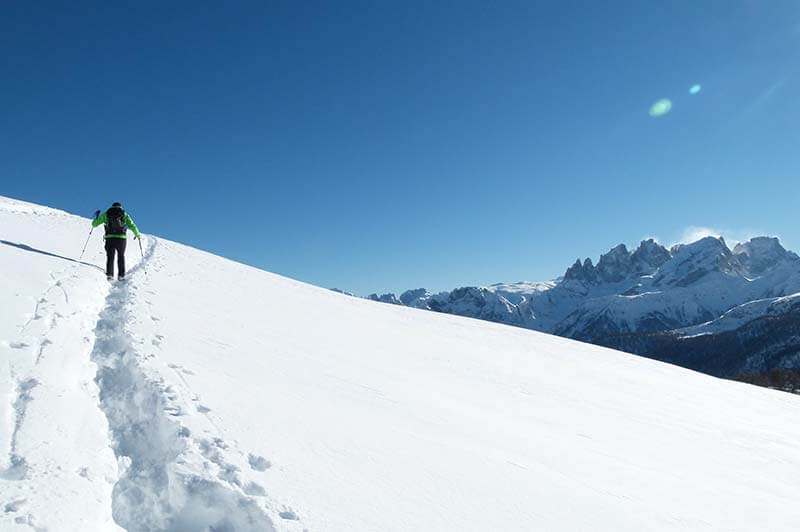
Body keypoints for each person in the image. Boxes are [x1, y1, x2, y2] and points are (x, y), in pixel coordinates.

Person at [92, 202, 141, 280]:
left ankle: (110, 274)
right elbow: (132, 225)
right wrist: (137, 234)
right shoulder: (124, 214)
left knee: (110, 256)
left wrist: (96, 218)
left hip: (110, 238)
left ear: (112, 206)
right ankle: (121, 276)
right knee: (121, 256)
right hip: (121, 238)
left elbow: (94, 224)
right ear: (120, 207)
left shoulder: (107, 213)